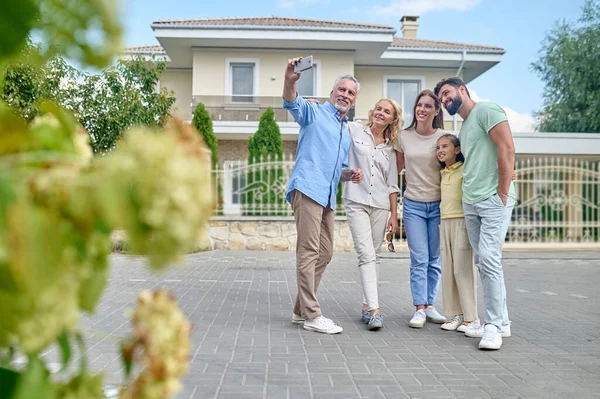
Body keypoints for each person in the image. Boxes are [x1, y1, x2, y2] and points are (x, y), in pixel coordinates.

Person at [434, 77, 516, 350]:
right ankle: (502, 321)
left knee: (490, 258)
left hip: (493, 198)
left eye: (447, 93)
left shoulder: (487, 110)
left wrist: (502, 192)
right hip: (471, 201)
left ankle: (491, 326)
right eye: (442, 99)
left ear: (462, 89)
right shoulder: (465, 125)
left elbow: (506, 148)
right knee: (483, 260)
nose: (445, 100)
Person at [283, 57, 362, 334]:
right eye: (341, 89)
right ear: (332, 92)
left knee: (325, 252)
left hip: (327, 197)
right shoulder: (314, 113)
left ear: (353, 101)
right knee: (308, 251)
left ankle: (299, 311)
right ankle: (313, 315)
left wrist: (348, 174)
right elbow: (293, 103)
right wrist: (290, 81)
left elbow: (336, 168)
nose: (345, 95)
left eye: (351, 93)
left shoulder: (345, 131)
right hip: (307, 189)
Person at [342, 98, 402, 331]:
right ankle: (376, 311)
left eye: (386, 111)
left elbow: (393, 184)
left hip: (380, 204)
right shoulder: (354, 129)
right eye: (378, 108)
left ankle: (367, 305)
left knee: (374, 255)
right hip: (356, 200)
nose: (380, 113)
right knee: (365, 253)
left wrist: (394, 215)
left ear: (392, 119)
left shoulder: (391, 148)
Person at [395, 90, 450, 328]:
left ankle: (430, 305)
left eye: (428, 106)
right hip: (413, 205)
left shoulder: (446, 136)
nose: (422, 109)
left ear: (436, 111)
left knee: (435, 258)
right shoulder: (403, 136)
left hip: (439, 204)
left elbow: (453, 168)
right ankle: (419, 308)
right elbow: (394, 171)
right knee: (419, 258)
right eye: (419, 105)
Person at [436, 134, 479, 333]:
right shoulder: (443, 172)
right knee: (448, 270)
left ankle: (471, 317)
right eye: (438, 147)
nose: (440, 150)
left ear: (457, 149)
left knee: (461, 270)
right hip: (444, 222)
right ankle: (455, 315)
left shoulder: (465, 168)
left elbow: (484, 173)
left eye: (445, 146)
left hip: (462, 221)